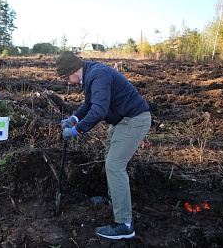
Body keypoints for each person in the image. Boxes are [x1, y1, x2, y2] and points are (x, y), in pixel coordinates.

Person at [56, 51, 151, 240]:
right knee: (110, 160)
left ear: (74, 70)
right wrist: (73, 118)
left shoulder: (97, 75)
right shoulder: (91, 73)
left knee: (115, 166)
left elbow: (99, 110)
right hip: (121, 121)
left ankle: (124, 225)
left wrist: (76, 131)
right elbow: (90, 103)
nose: (67, 81)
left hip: (134, 120)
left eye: (66, 76)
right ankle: (114, 198)